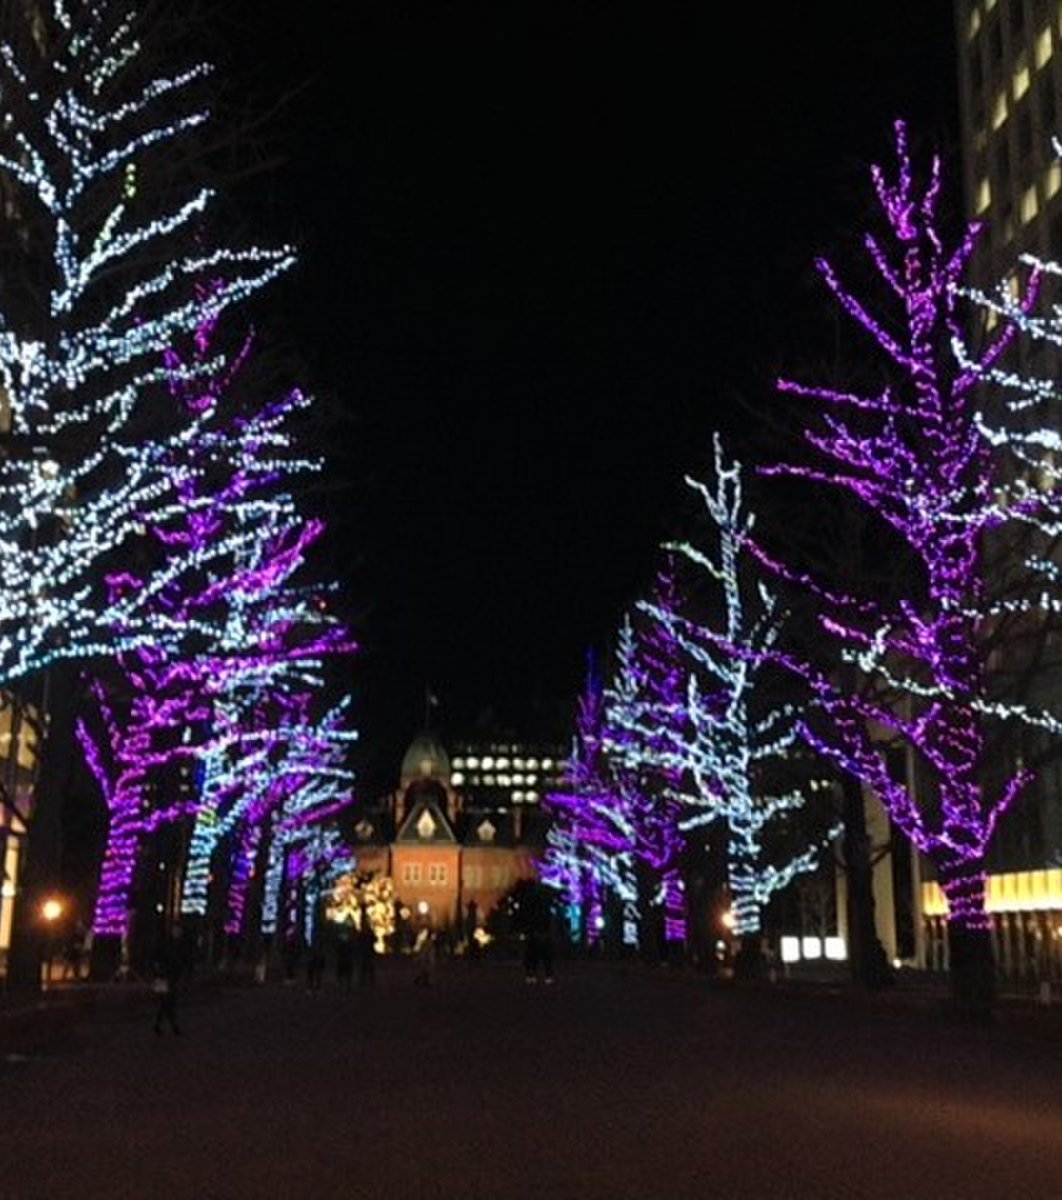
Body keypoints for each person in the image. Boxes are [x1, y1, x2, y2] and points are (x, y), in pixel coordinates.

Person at [151, 939, 182, 1036]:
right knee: (166, 1002)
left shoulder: (177, 945)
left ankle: (160, 1025)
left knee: (166, 1003)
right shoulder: (166, 945)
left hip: (168, 977)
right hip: (162, 977)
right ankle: (173, 1026)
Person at [357, 908, 376, 987]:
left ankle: (365, 980)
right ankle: (368, 980)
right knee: (367, 965)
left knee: (366, 965)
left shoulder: (364, 931)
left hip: (365, 949)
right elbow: (374, 939)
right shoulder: (368, 931)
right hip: (367, 949)